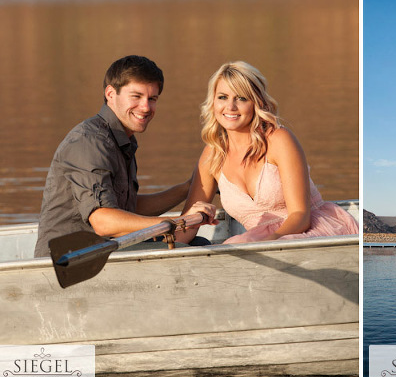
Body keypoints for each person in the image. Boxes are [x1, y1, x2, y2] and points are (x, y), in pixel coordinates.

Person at [35, 55, 216, 257]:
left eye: (152, 99)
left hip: (103, 250)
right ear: (111, 94)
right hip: (71, 262)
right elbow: (103, 222)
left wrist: (186, 188)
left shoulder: (121, 139)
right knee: (193, 247)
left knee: (197, 243)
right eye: (136, 96)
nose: (146, 107)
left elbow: (128, 209)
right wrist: (177, 224)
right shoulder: (89, 142)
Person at [181, 61, 359, 243]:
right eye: (222, 97)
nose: (230, 107)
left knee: (235, 246)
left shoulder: (278, 139)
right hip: (256, 242)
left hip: (309, 233)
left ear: (257, 102)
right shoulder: (213, 153)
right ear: (213, 101)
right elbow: (184, 230)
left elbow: (300, 216)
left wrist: (267, 243)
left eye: (241, 98)